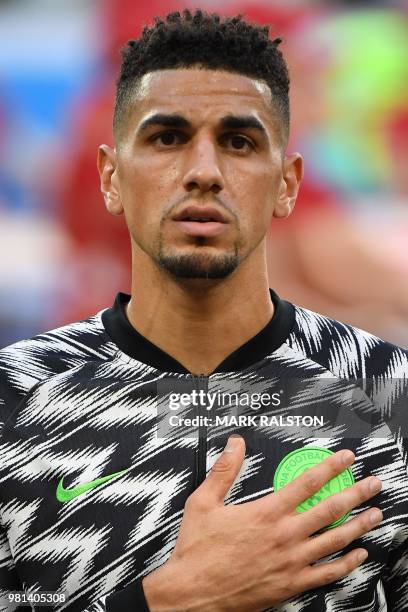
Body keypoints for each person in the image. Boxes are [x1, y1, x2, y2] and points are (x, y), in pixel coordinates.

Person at [0, 9, 407, 612]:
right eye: (167, 138)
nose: (203, 173)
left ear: (287, 183)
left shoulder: (388, 395)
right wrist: (171, 600)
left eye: (239, 143)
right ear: (111, 176)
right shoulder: (15, 400)